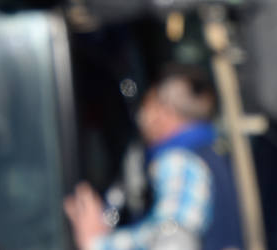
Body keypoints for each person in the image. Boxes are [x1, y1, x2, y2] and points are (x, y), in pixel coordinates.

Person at [65, 64, 242, 250]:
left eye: (146, 105)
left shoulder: (179, 161)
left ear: (162, 111)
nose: (141, 116)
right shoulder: (216, 153)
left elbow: (173, 241)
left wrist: (99, 243)